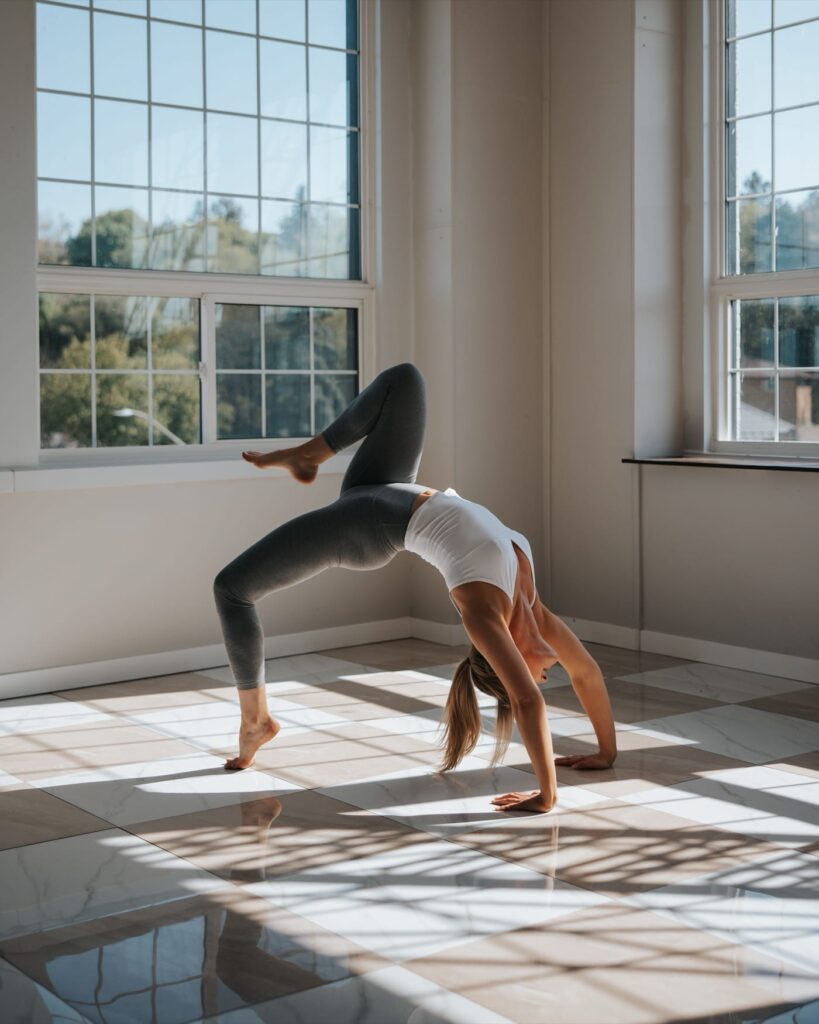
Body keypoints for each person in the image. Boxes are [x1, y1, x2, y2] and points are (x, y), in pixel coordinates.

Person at [213, 362, 617, 813]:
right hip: (389, 485)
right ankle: (311, 453)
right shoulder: (533, 607)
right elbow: (587, 672)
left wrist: (546, 795)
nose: (547, 675)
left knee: (231, 587)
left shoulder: (483, 614)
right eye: (542, 675)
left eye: (539, 675)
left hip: (369, 526)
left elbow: (526, 700)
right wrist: (606, 752)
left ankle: (256, 721)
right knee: (406, 380)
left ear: (509, 660)